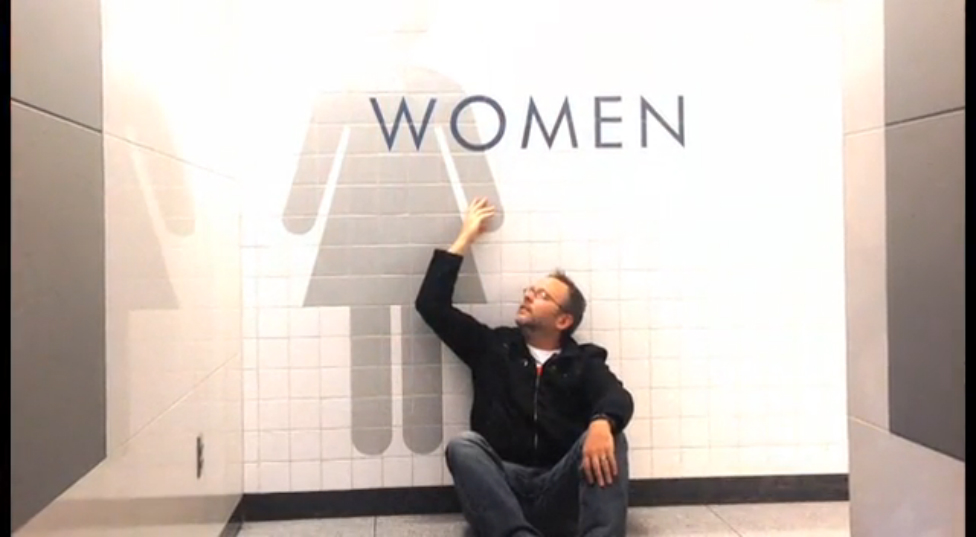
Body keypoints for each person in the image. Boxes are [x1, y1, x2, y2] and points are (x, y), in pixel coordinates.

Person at [415, 197, 634, 536]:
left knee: (611, 434)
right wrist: (465, 237)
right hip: (504, 487)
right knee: (464, 446)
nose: (529, 295)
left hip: (561, 486)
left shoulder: (583, 361)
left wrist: (602, 423)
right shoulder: (493, 347)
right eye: (530, 290)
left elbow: (616, 396)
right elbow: (431, 305)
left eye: (543, 295)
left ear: (563, 320)